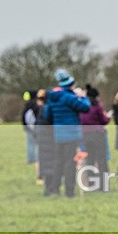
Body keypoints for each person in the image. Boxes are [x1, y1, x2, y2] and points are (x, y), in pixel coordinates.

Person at [44, 69, 91, 197]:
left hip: (58, 134)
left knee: (58, 162)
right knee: (70, 162)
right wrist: (83, 97)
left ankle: (55, 189)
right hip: (72, 134)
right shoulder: (69, 97)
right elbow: (85, 108)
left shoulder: (52, 99)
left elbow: (47, 115)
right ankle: (69, 191)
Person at [80, 84, 111, 191]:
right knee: (102, 161)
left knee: (90, 160)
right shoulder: (97, 107)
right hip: (98, 135)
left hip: (86, 135)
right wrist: (107, 117)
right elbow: (104, 121)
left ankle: (92, 184)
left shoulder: (83, 107)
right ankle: (103, 185)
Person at [35, 89, 56, 194]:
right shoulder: (49, 109)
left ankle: (48, 188)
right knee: (51, 163)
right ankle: (51, 188)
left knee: (45, 163)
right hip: (49, 138)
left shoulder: (41, 110)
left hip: (42, 138)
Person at [21, 90, 41, 183]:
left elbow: (26, 118)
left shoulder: (29, 105)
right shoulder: (37, 105)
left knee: (32, 146)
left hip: (31, 129)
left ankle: (33, 160)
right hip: (37, 129)